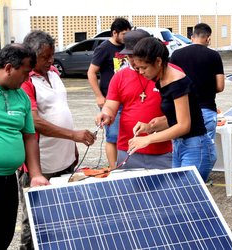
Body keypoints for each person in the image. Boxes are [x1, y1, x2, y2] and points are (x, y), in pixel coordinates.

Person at [19, 30, 96, 250]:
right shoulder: (25, 82)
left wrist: (71, 143)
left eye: (52, 55)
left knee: (64, 215)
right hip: (41, 164)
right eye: (46, 57)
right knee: (34, 222)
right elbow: (34, 123)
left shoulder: (53, 72)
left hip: (65, 158)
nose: (51, 60)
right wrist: (74, 135)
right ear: (31, 56)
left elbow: (58, 110)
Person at [128, 37, 217, 182]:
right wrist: (149, 127)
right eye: (138, 68)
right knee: (179, 196)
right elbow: (175, 117)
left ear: (158, 61)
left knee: (186, 198)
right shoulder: (161, 80)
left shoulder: (178, 83)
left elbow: (184, 125)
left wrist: (148, 139)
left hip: (196, 146)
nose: (141, 72)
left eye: (144, 68)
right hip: (180, 145)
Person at [0, 44, 49, 249]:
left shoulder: (21, 96)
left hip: (8, 180)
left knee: (3, 235)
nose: (26, 80)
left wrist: (36, 174)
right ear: (8, 68)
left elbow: (29, 137)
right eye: (24, 74)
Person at [96, 29, 172, 169]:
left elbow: (181, 116)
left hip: (163, 149)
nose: (132, 60)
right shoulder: (120, 76)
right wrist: (105, 114)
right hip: (128, 149)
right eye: (129, 56)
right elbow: (110, 106)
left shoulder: (170, 75)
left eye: (135, 55)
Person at [87, 17, 132, 169]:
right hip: (110, 100)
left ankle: (125, 166)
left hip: (128, 99)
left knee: (126, 136)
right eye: (124, 34)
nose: (127, 37)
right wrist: (99, 96)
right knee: (112, 137)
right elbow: (91, 72)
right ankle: (114, 169)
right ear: (115, 33)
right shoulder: (104, 48)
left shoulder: (128, 47)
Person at [170, 23, 225, 140]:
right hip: (207, 110)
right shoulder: (214, 56)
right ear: (208, 38)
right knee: (206, 150)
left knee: (183, 149)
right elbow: (220, 86)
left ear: (192, 37)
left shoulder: (176, 55)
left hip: (181, 112)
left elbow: (170, 83)